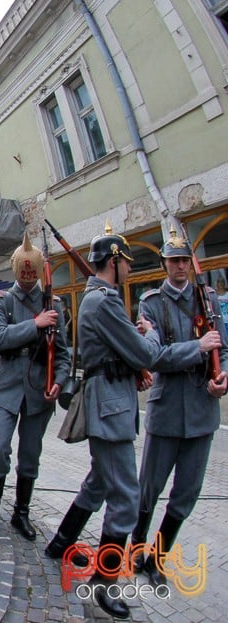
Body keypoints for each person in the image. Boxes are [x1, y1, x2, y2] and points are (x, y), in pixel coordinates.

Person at [43, 225, 160, 620]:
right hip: (109, 405)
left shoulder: (99, 298)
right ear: (114, 261)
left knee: (98, 481)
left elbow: (120, 353)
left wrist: (132, 364)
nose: (128, 268)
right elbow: (144, 352)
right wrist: (152, 335)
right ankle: (104, 581)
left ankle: (61, 542)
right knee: (125, 494)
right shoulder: (104, 301)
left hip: (111, 397)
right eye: (126, 262)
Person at [129, 231, 227, 585]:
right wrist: (198, 347)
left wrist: (223, 377)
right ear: (164, 265)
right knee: (149, 488)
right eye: (174, 260)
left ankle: (158, 558)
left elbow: (223, 348)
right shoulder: (151, 302)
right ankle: (136, 548)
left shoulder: (209, 299)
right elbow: (153, 357)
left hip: (202, 408)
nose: (181, 266)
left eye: (185, 259)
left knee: (186, 493)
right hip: (167, 406)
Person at [0, 234, 70, 538]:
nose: (28, 279)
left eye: (33, 273)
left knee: (30, 453)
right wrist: (35, 324)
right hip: (6, 386)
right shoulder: (2, 301)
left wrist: (59, 381)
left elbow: (65, 354)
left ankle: (22, 511)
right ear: (16, 271)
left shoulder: (53, 303)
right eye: (23, 272)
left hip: (39, 388)